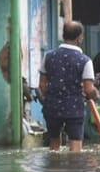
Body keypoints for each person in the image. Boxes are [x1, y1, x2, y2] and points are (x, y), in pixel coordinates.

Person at [39, 20, 93, 152]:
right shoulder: (85, 61)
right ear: (80, 38)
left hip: (52, 107)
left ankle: (54, 171)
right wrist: (95, 94)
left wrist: (51, 97)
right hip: (74, 109)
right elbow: (88, 89)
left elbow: (42, 85)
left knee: (53, 146)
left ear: (63, 36)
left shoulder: (48, 56)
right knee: (76, 148)